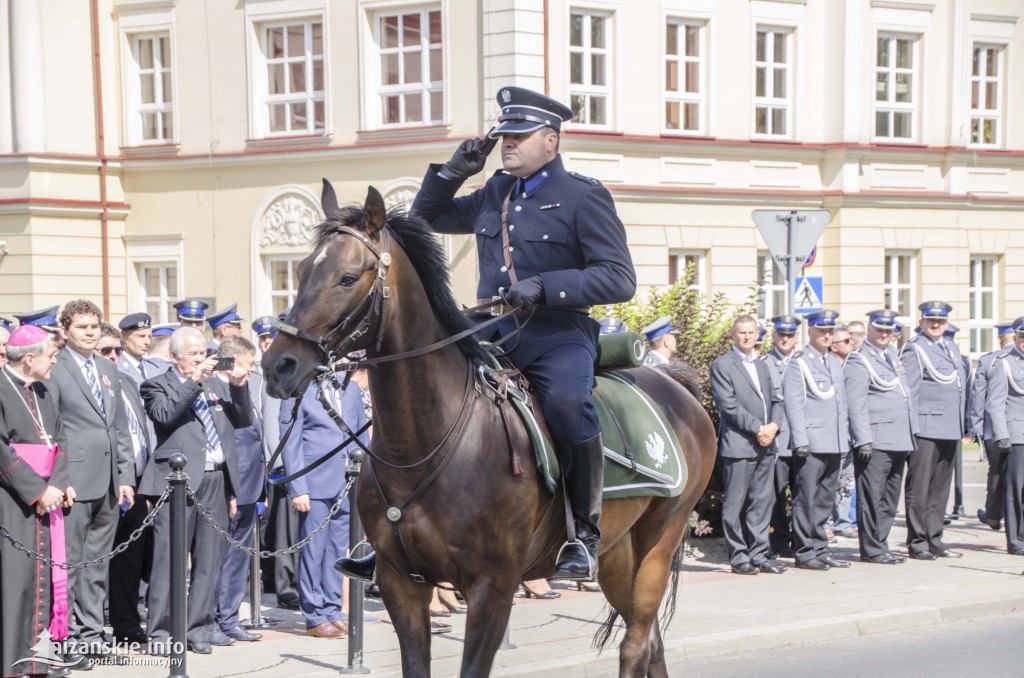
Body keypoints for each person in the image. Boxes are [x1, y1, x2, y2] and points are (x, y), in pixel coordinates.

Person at [340, 85, 636, 583]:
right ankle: (392, 533)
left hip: (557, 330)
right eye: (504, 136)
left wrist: (546, 286)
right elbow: (425, 218)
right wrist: (454, 172)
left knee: (567, 404)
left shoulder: (585, 196)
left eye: (519, 135)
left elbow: (619, 278)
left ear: (551, 140)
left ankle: (582, 536)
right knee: (421, 391)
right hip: (487, 325)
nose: (508, 144)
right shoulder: (495, 192)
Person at [139, 327, 251, 654]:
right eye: (193, 354)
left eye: (204, 353)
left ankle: (198, 631)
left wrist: (240, 387)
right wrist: (194, 382)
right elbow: (165, 414)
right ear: (175, 357)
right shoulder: (156, 384)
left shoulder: (217, 384)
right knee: (168, 560)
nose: (201, 359)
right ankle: (160, 633)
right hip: (176, 482)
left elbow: (241, 420)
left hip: (216, 479)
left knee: (208, 561)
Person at [47, 300, 134, 667]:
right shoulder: (55, 367)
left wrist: (126, 476)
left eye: (95, 326)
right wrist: (59, 479)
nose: (91, 332)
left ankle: (93, 636)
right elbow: (51, 427)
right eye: (83, 327)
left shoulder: (107, 368)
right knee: (69, 564)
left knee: (97, 563)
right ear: (65, 331)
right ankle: (64, 640)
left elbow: (119, 428)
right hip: (73, 483)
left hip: (109, 482)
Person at [0, 325, 75, 678]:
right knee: (17, 581)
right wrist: (37, 491)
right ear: (29, 359)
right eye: (51, 356)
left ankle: (40, 659)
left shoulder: (45, 390)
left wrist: (57, 486)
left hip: (47, 499)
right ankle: (13, 662)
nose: (55, 362)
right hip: (13, 501)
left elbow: (58, 438)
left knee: (44, 576)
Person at [280, 371, 366, 639]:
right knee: (313, 551)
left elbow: (362, 435)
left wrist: (366, 479)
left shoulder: (350, 389)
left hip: (346, 480)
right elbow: (290, 441)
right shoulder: (299, 389)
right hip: (314, 482)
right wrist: (298, 487)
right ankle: (314, 615)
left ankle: (332, 609)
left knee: (338, 549)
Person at [94, 323, 154, 645]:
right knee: (95, 563)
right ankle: (86, 629)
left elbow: (138, 432)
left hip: (135, 483)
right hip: (102, 485)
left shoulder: (127, 381)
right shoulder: (91, 385)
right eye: (106, 351)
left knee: (129, 561)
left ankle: (126, 625)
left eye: (117, 349)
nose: (114, 356)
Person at [710, 315, 784, 575]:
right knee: (735, 504)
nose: (747, 336)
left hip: (766, 443)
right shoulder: (723, 365)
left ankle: (759, 553)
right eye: (742, 332)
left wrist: (774, 426)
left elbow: (776, 399)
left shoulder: (762, 364)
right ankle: (739, 556)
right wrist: (758, 428)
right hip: (741, 444)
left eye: (751, 332)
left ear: (757, 335)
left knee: (762, 502)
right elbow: (728, 405)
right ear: (733, 335)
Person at [782, 309, 851, 571]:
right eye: (821, 330)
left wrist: (844, 438)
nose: (826, 335)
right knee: (806, 499)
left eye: (829, 331)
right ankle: (803, 550)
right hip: (811, 442)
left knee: (824, 500)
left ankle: (820, 548)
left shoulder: (833, 361)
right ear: (809, 331)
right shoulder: (799, 362)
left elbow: (841, 405)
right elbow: (795, 405)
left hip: (834, 441)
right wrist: (800, 440)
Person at [845, 310, 916, 565]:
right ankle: (871, 548)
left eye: (889, 330)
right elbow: (856, 403)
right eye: (880, 329)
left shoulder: (892, 356)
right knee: (872, 497)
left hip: (898, 438)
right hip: (876, 440)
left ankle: (881, 543)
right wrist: (863, 439)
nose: (885, 334)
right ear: (870, 329)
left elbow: (905, 397)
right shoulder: (859, 360)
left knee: (889, 497)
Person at [899, 300, 968, 560]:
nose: (936, 325)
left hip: (949, 426)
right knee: (919, 487)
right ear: (921, 323)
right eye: (931, 321)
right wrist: (911, 429)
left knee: (940, 488)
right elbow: (911, 392)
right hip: (925, 427)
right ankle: (917, 542)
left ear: (947, 324)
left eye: (940, 321)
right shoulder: (914, 349)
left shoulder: (950, 347)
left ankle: (935, 537)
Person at [211, 337, 265, 646]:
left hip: (251, 486)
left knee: (240, 558)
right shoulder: (216, 390)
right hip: (232, 487)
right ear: (231, 362)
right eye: (250, 362)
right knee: (222, 558)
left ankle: (230, 618)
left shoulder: (242, 388)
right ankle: (216, 618)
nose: (254, 368)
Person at [984, 316, 1024, 555]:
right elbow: (994, 403)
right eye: (1021, 338)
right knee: (1015, 491)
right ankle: (1017, 541)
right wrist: (1001, 435)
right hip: (1016, 435)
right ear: (1016, 338)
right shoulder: (1004, 363)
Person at [762, 314, 800, 559]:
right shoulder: (764, 364)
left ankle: (802, 540)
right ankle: (779, 542)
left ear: (796, 338)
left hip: (803, 439)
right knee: (776, 494)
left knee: (804, 493)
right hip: (778, 440)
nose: (785, 339)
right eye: (781, 334)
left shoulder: (805, 362)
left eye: (790, 335)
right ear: (774, 337)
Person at [973, 322, 1015, 530]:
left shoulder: (990, 360)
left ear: (1000, 339)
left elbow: (979, 396)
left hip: (993, 429)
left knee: (996, 472)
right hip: (1017, 429)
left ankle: (992, 515)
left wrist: (976, 425)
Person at [827, 325, 857, 539]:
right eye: (846, 341)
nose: (851, 343)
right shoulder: (828, 366)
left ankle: (843, 522)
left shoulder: (852, 365)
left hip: (849, 435)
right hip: (831, 436)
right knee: (829, 482)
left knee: (846, 483)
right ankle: (827, 524)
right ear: (834, 346)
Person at [118, 312, 153, 385]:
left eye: (149, 337)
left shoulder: (153, 367)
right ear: (124, 336)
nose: (147, 342)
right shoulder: (116, 367)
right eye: (141, 336)